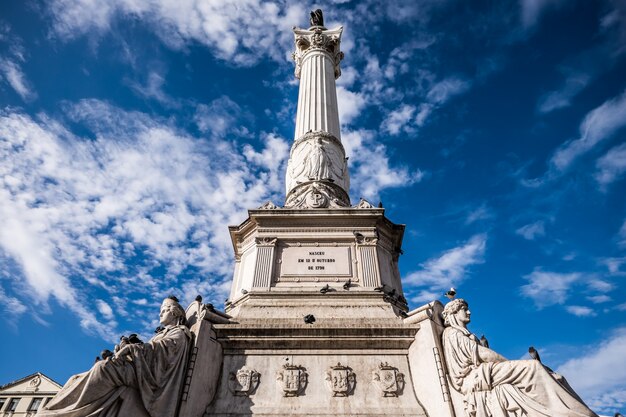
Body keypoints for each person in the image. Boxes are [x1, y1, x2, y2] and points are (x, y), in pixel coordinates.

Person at [441, 299, 598, 417]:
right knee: (532, 368)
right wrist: (512, 365)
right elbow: (483, 354)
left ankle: (572, 410)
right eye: (465, 309)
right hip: (475, 378)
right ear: (454, 313)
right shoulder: (452, 333)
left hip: (484, 373)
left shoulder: (464, 333)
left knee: (553, 375)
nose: (469, 312)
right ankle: (569, 413)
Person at [37, 296, 191, 417]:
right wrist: (127, 348)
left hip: (147, 376)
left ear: (175, 312)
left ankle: (66, 413)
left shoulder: (179, 332)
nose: (160, 313)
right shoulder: (163, 333)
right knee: (74, 378)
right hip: (138, 368)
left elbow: (164, 351)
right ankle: (55, 411)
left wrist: (135, 348)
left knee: (102, 369)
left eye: (164, 310)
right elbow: (149, 349)